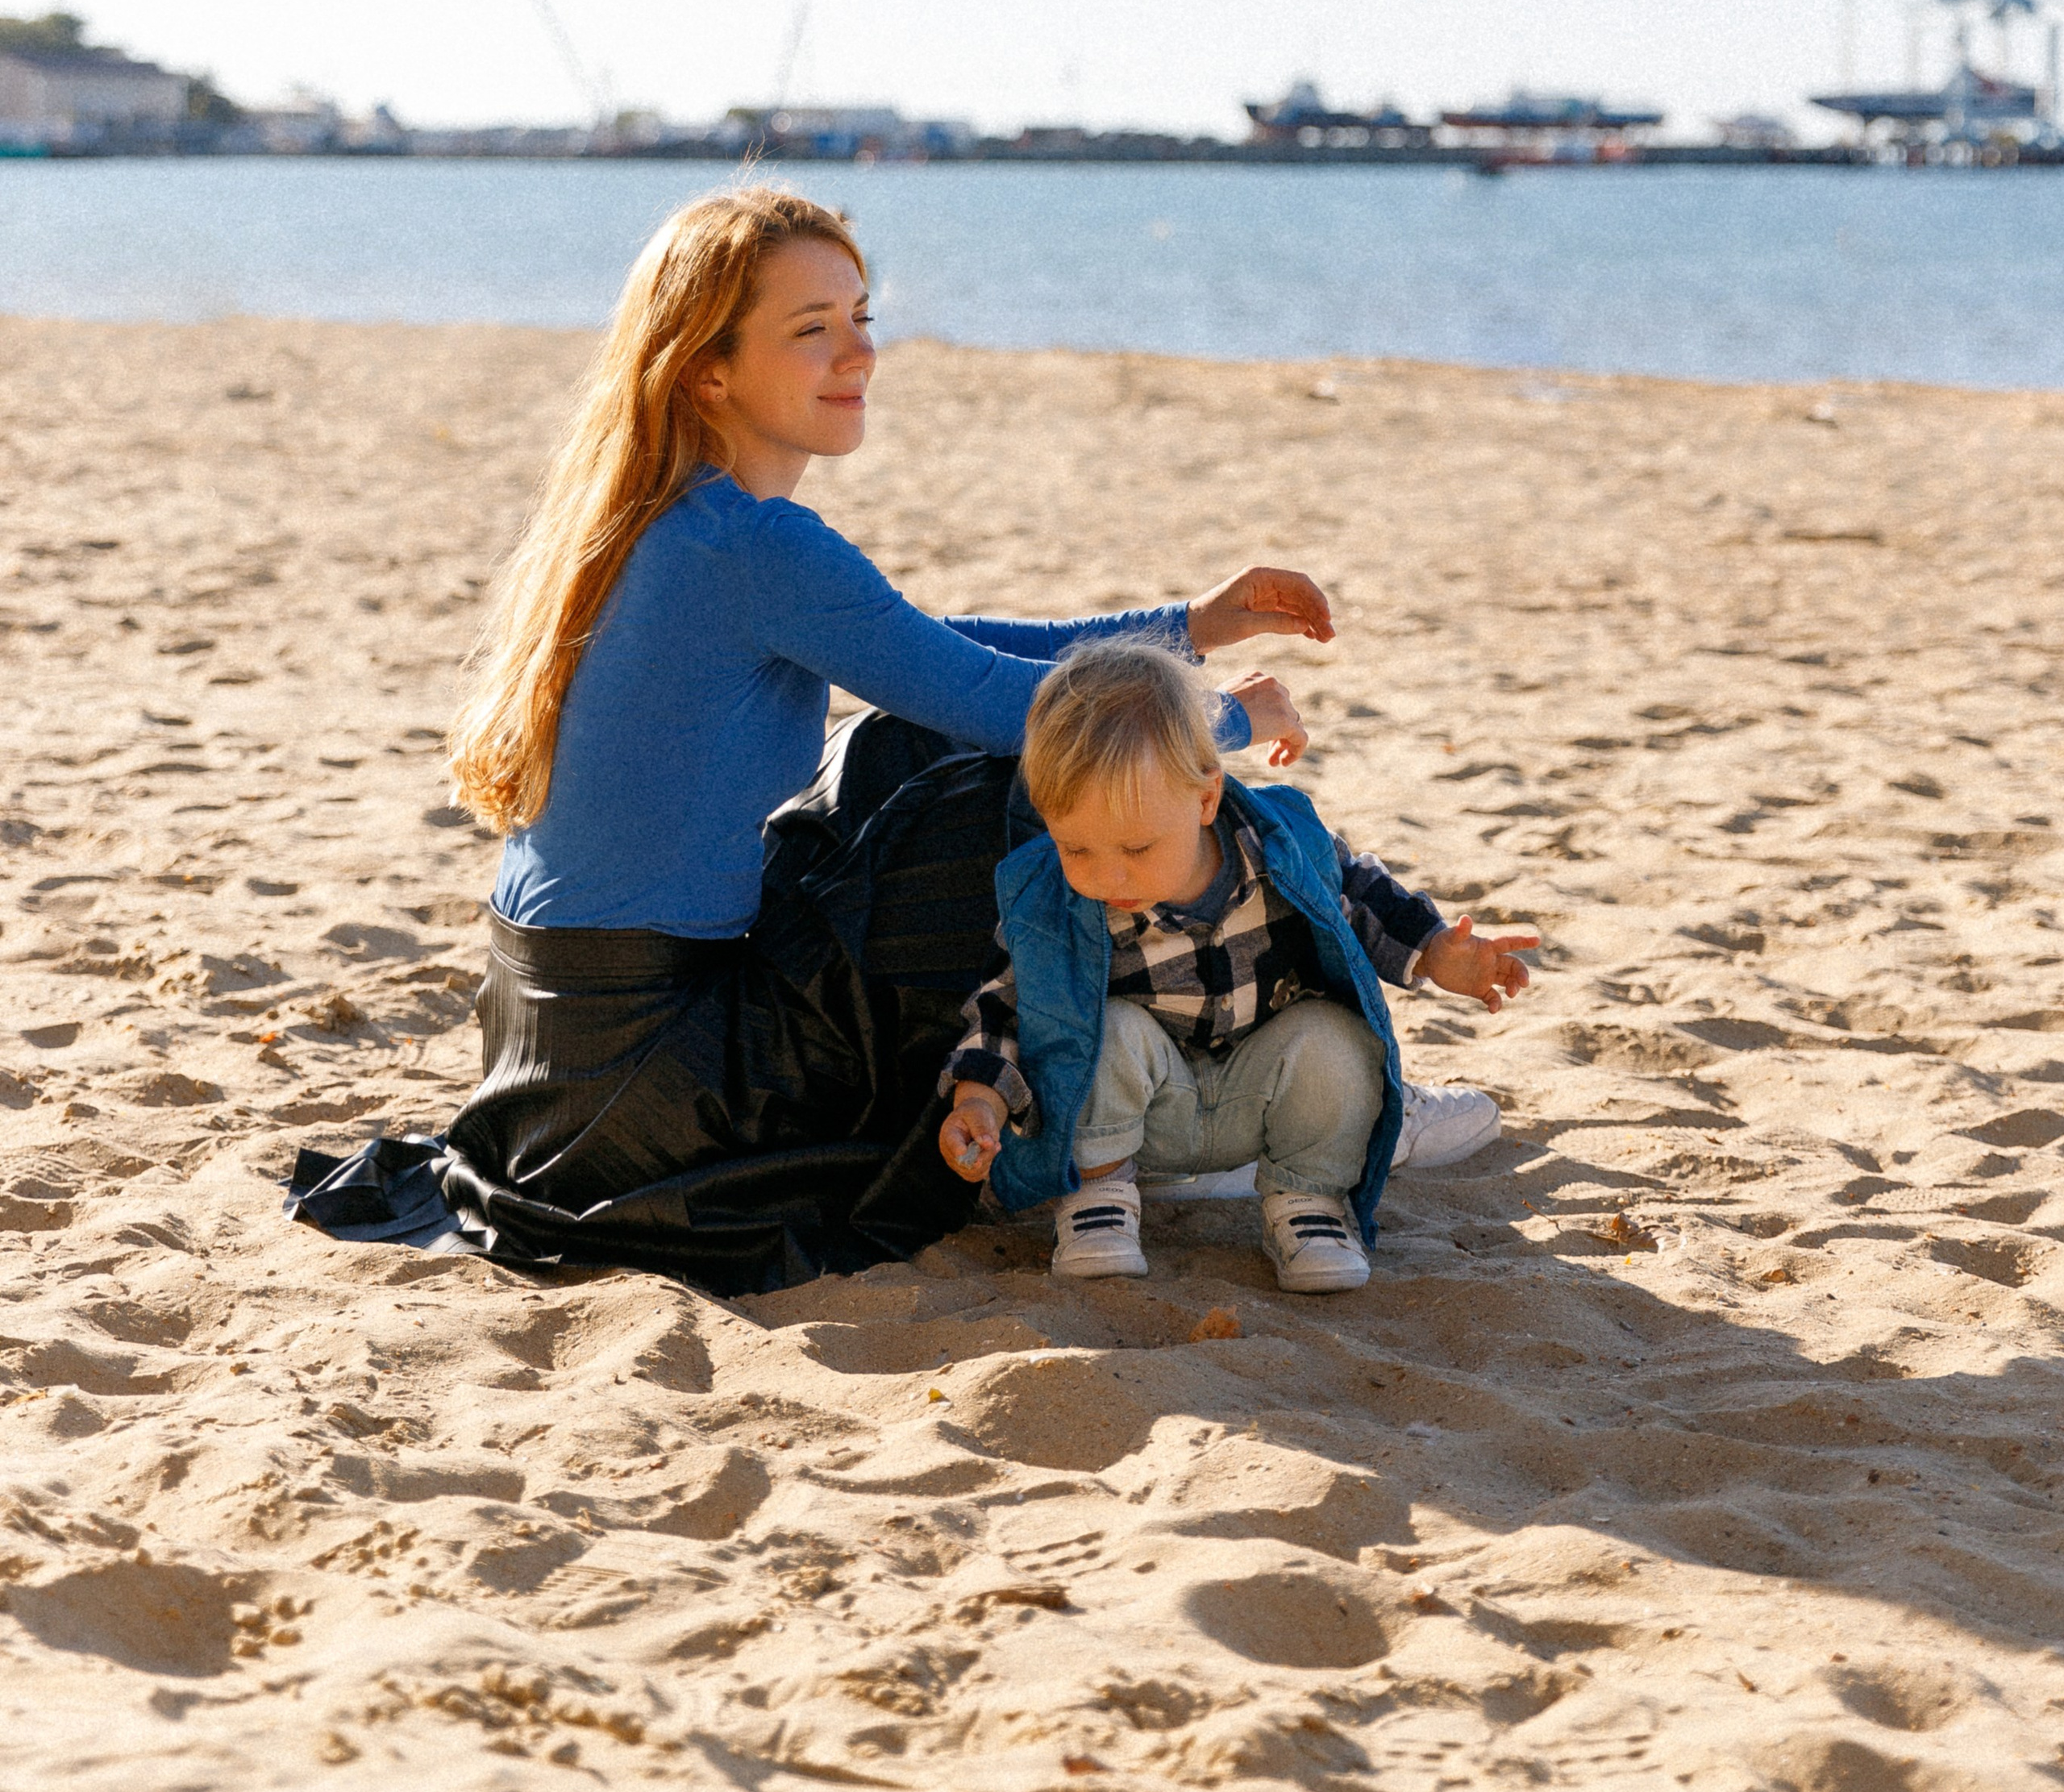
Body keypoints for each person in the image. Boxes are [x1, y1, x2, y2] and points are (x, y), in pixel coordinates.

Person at [415, 185, 1326, 1288]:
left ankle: (1204, 1074)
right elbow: (996, 701)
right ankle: (1257, 1092)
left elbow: (933, 646)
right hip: (658, 1076)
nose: (859, 354)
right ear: (708, 370)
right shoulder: (754, 545)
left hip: (547, 1063)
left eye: (862, 317)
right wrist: (1228, 716)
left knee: (906, 754)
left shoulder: (677, 519)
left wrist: (1190, 625)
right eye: (813, 330)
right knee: (994, 787)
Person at [938, 639, 1539, 1292]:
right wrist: (979, 1099)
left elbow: (1359, 893)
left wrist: (1436, 951)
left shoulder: (1278, 850)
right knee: (1103, 1031)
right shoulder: (1056, 901)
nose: (1107, 875)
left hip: (1266, 1099)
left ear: (1204, 799)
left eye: (1137, 847)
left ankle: (1307, 1203)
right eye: (1075, 847)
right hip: (1139, 1123)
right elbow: (1005, 1003)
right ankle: (1099, 1201)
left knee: (1338, 1038)